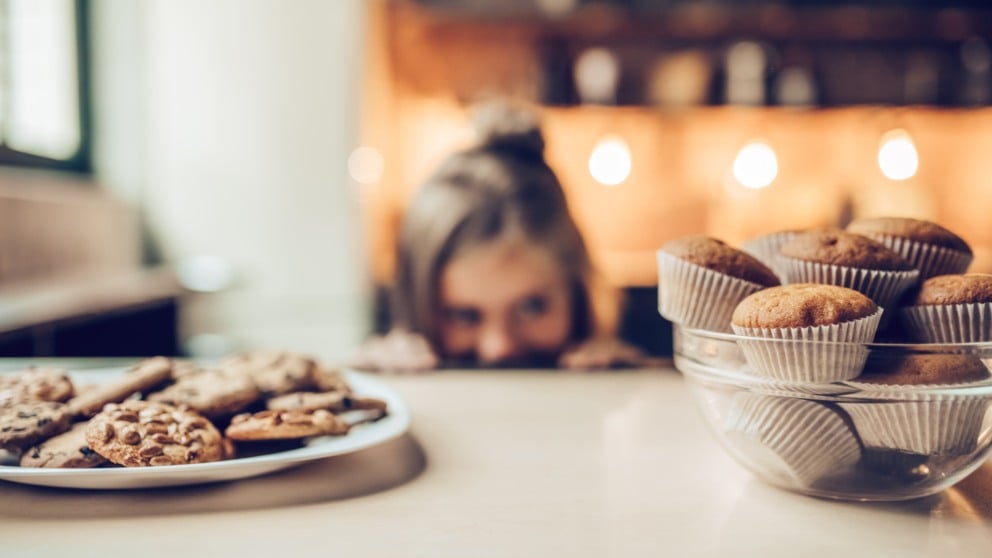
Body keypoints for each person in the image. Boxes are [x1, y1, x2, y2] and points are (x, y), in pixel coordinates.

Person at [352, 101, 647, 372]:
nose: (499, 348)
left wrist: (622, 391)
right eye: (464, 316)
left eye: (531, 307)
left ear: (578, 294)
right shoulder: (384, 385)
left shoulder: (620, 384)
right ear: (417, 302)